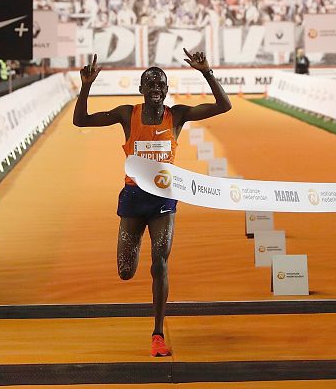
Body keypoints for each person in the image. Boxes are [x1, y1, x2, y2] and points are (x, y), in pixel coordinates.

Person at [73, 50, 231, 357]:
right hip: (133, 199)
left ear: (167, 90)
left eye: (161, 84)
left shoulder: (178, 115)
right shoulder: (126, 114)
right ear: (142, 90)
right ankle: (136, 273)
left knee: (160, 262)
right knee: (125, 271)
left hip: (163, 200)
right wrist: (86, 86)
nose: (156, 88)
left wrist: (207, 72)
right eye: (151, 84)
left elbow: (224, 106)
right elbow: (81, 121)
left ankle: (157, 334)